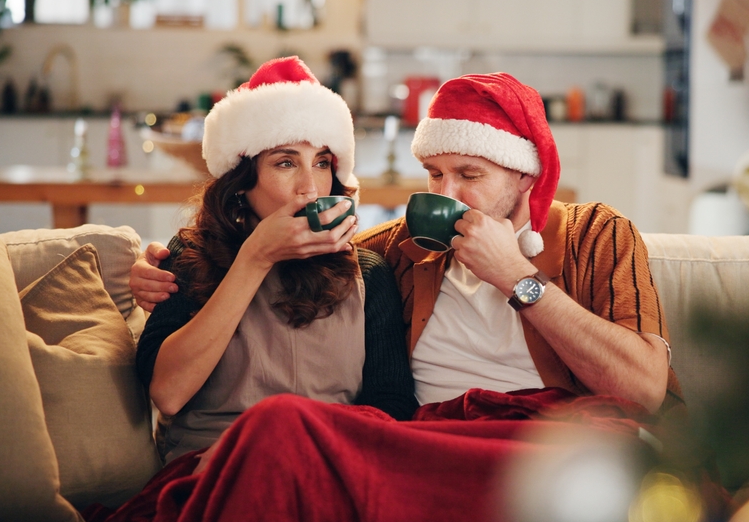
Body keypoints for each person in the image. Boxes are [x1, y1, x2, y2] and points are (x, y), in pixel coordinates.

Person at [132, 72, 682, 415]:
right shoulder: (398, 253)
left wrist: (517, 277)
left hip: (555, 442)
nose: (447, 193)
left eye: (469, 173)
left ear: (524, 178)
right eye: (434, 174)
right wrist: (154, 264)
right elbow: (304, 251)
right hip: (434, 441)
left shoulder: (596, 234)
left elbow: (643, 389)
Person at [134, 56, 417, 464]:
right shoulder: (188, 258)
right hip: (215, 469)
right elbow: (169, 394)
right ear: (240, 182)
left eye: (322, 163)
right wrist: (255, 258)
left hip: (325, 466)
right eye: (285, 163)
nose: (310, 187)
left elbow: (390, 409)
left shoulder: (367, 274)